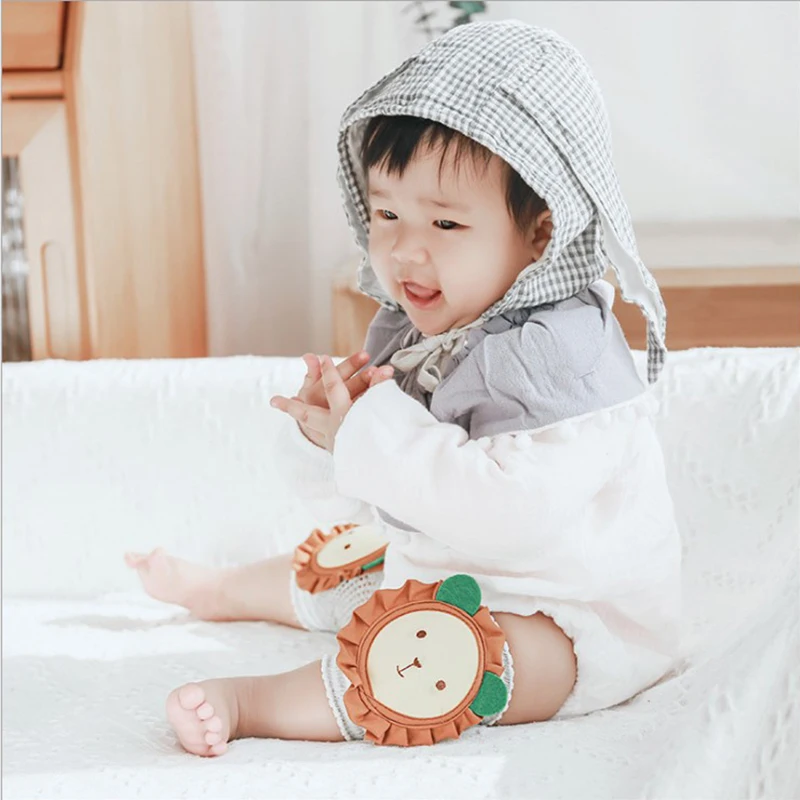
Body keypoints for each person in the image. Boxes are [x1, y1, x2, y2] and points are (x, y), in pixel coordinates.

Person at [125, 19, 681, 756]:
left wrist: (367, 434)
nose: (403, 250)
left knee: (444, 659)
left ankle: (255, 701)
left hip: (567, 617)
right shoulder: (426, 323)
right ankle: (220, 589)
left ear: (541, 235)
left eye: (445, 222)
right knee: (355, 562)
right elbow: (378, 490)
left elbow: (504, 515)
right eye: (386, 213)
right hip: (446, 560)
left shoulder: (558, 357)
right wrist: (330, 434)